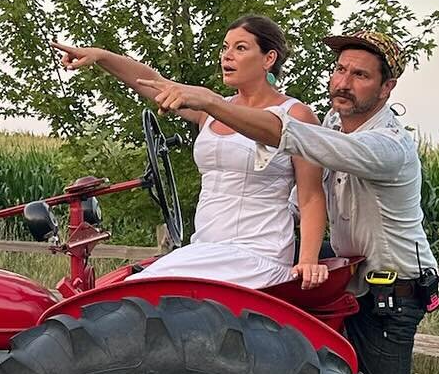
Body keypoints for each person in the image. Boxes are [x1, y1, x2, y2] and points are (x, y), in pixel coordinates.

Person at [137, 30, 439, 374]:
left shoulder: (388, 147)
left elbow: (297, 141)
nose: (343, 83)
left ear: (387, 88)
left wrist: (211, 102)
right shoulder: (335, 122)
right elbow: (300, 194)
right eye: (340, 70)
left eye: (361, 76)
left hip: (393, 291)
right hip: (355, 280)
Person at [51, 15, 330, 291]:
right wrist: (101, 56)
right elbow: (151, 82)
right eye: (225, 47)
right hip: (206, 249)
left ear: (269, 58)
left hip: (257, 254)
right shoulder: (210, 108)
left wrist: (306, 261)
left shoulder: (295, 115)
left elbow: (311, 196)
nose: (226, 56)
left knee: (136, 291)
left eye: (240, 48)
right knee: (126, 292)